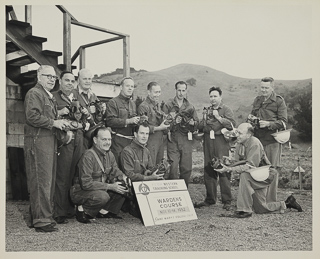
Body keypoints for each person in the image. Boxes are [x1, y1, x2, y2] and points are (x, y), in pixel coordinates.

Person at [216, 123, 302, 218]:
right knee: (261, 209)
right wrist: (227, 162)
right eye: (237, 132)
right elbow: (238, 161)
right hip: (255, 175)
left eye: (240, 133)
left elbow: (250, 166)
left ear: (249, 135)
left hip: (266, 174)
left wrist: (229, 169)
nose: (237, 135)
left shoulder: (254, 143)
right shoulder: (240, 144)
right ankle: (288, 203)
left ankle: (244, 210)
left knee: (244, 175)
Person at [24, 65, 70, 232]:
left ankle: (38, 217)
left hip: (48, 142)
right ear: (39, 76)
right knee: (41, 181)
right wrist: (54, 123)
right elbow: (32, 117)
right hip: (38, 143)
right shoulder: (34, 93)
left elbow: (48, 118)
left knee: (46, 182)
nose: (52, 79)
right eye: (48, 76)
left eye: (53, 77)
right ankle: (42, 221)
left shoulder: (47, 96)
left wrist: (62, 128)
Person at [70, 127, 128, 223]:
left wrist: (125, 178)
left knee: (124, 187)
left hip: (99, 188)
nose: (108, 142)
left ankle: (103, 211)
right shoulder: (88, 156)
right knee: (102, 196)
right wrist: (110, 186)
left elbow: (115, 171)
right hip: (80, 191)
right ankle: (82, 211)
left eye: (109, 139)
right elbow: (86, 184)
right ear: (95, 140)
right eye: (104, 139)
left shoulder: (110, 154)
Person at [52, 71, 85, 224]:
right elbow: (48, 116)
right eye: (67, 80)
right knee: (62, 175)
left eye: (72, 81)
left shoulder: (78, 97)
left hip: (79, 138)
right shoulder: (53, 97)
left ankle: (70, 208)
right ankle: (59, 212)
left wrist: (83, 118)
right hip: (64, 139)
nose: (70, 83)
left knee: (74, 175)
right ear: (60, 81)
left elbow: (86, 121)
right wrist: (60, 112)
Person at [195, 86, 236, 210]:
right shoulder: (206, 110)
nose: (213, 99)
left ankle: (227, 200)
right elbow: (201, 127)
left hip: (221, 142)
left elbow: (232, 125)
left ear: (220, 97)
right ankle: (210, 199)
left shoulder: (226, 110)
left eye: (215, 96)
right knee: (209, 170)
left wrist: (218, 117)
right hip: (208, 142)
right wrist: (203, 121)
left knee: (223, 168)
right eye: (211, 96)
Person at [120, 122, 164, 218]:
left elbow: (150, 168)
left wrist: (157, 171)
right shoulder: (127, 151)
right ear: (135, 134)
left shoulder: (146, 151)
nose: (145, 136)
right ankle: (129, 204)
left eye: (147, 134)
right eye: (142, 133)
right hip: (133, 187)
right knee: (146, 215)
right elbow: (130, 175)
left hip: (144, 184)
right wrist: (149, 177)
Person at [162, 81, 199, 186]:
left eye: (183, 90)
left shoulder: (190, 107)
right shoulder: (168, 105)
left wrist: (193, 123)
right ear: (175, 90)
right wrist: (173, 122)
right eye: (179, 90)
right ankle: (173, 193)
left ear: (186, 91)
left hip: (186, 139)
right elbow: (163, 124)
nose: (181, 93)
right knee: (173, 168)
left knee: (186, 168)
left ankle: (184, 192)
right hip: (173, 139)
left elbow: (197, 123)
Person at [250, 77, 287, 167]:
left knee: (272, 169)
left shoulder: (279, 101)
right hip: (257, 140)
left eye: (266, 88)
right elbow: (253, 114)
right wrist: (251, 118)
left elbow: (283, 122)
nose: (264, 90)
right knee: (257, 168)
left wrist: (268, 124)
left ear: (272, 88)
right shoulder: (257, 100)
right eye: (262, 87)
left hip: (272, 142)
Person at [105, 77, 140, 164]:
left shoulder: (133, 103)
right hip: (118, 143)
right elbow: (110, 121)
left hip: (131, 143)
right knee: (118, 168)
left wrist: (139, 121)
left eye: (132, 86)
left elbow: (133, 120)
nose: (130, 88)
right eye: (127, 86)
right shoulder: (113, 102)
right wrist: (128, 121)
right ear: (121, 87)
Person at [137, 82, 170, 165]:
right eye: (156, 92)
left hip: (159, 141)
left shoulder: (157, 106)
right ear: (149, 92)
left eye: (159, 92)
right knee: (150, 166)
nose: (158, 95)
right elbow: (143, 127)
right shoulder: (144, 106)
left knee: (159, 166)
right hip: (150, 142)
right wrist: (160, 128)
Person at [72, 68, 100, 148]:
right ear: (78, 80)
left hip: (91, 135)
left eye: (89, 79)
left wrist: (100, 110)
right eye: (84, 79)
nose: (87, 81)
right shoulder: (72, 93)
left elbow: (98, 118)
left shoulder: (93, 95)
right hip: (78, 135)